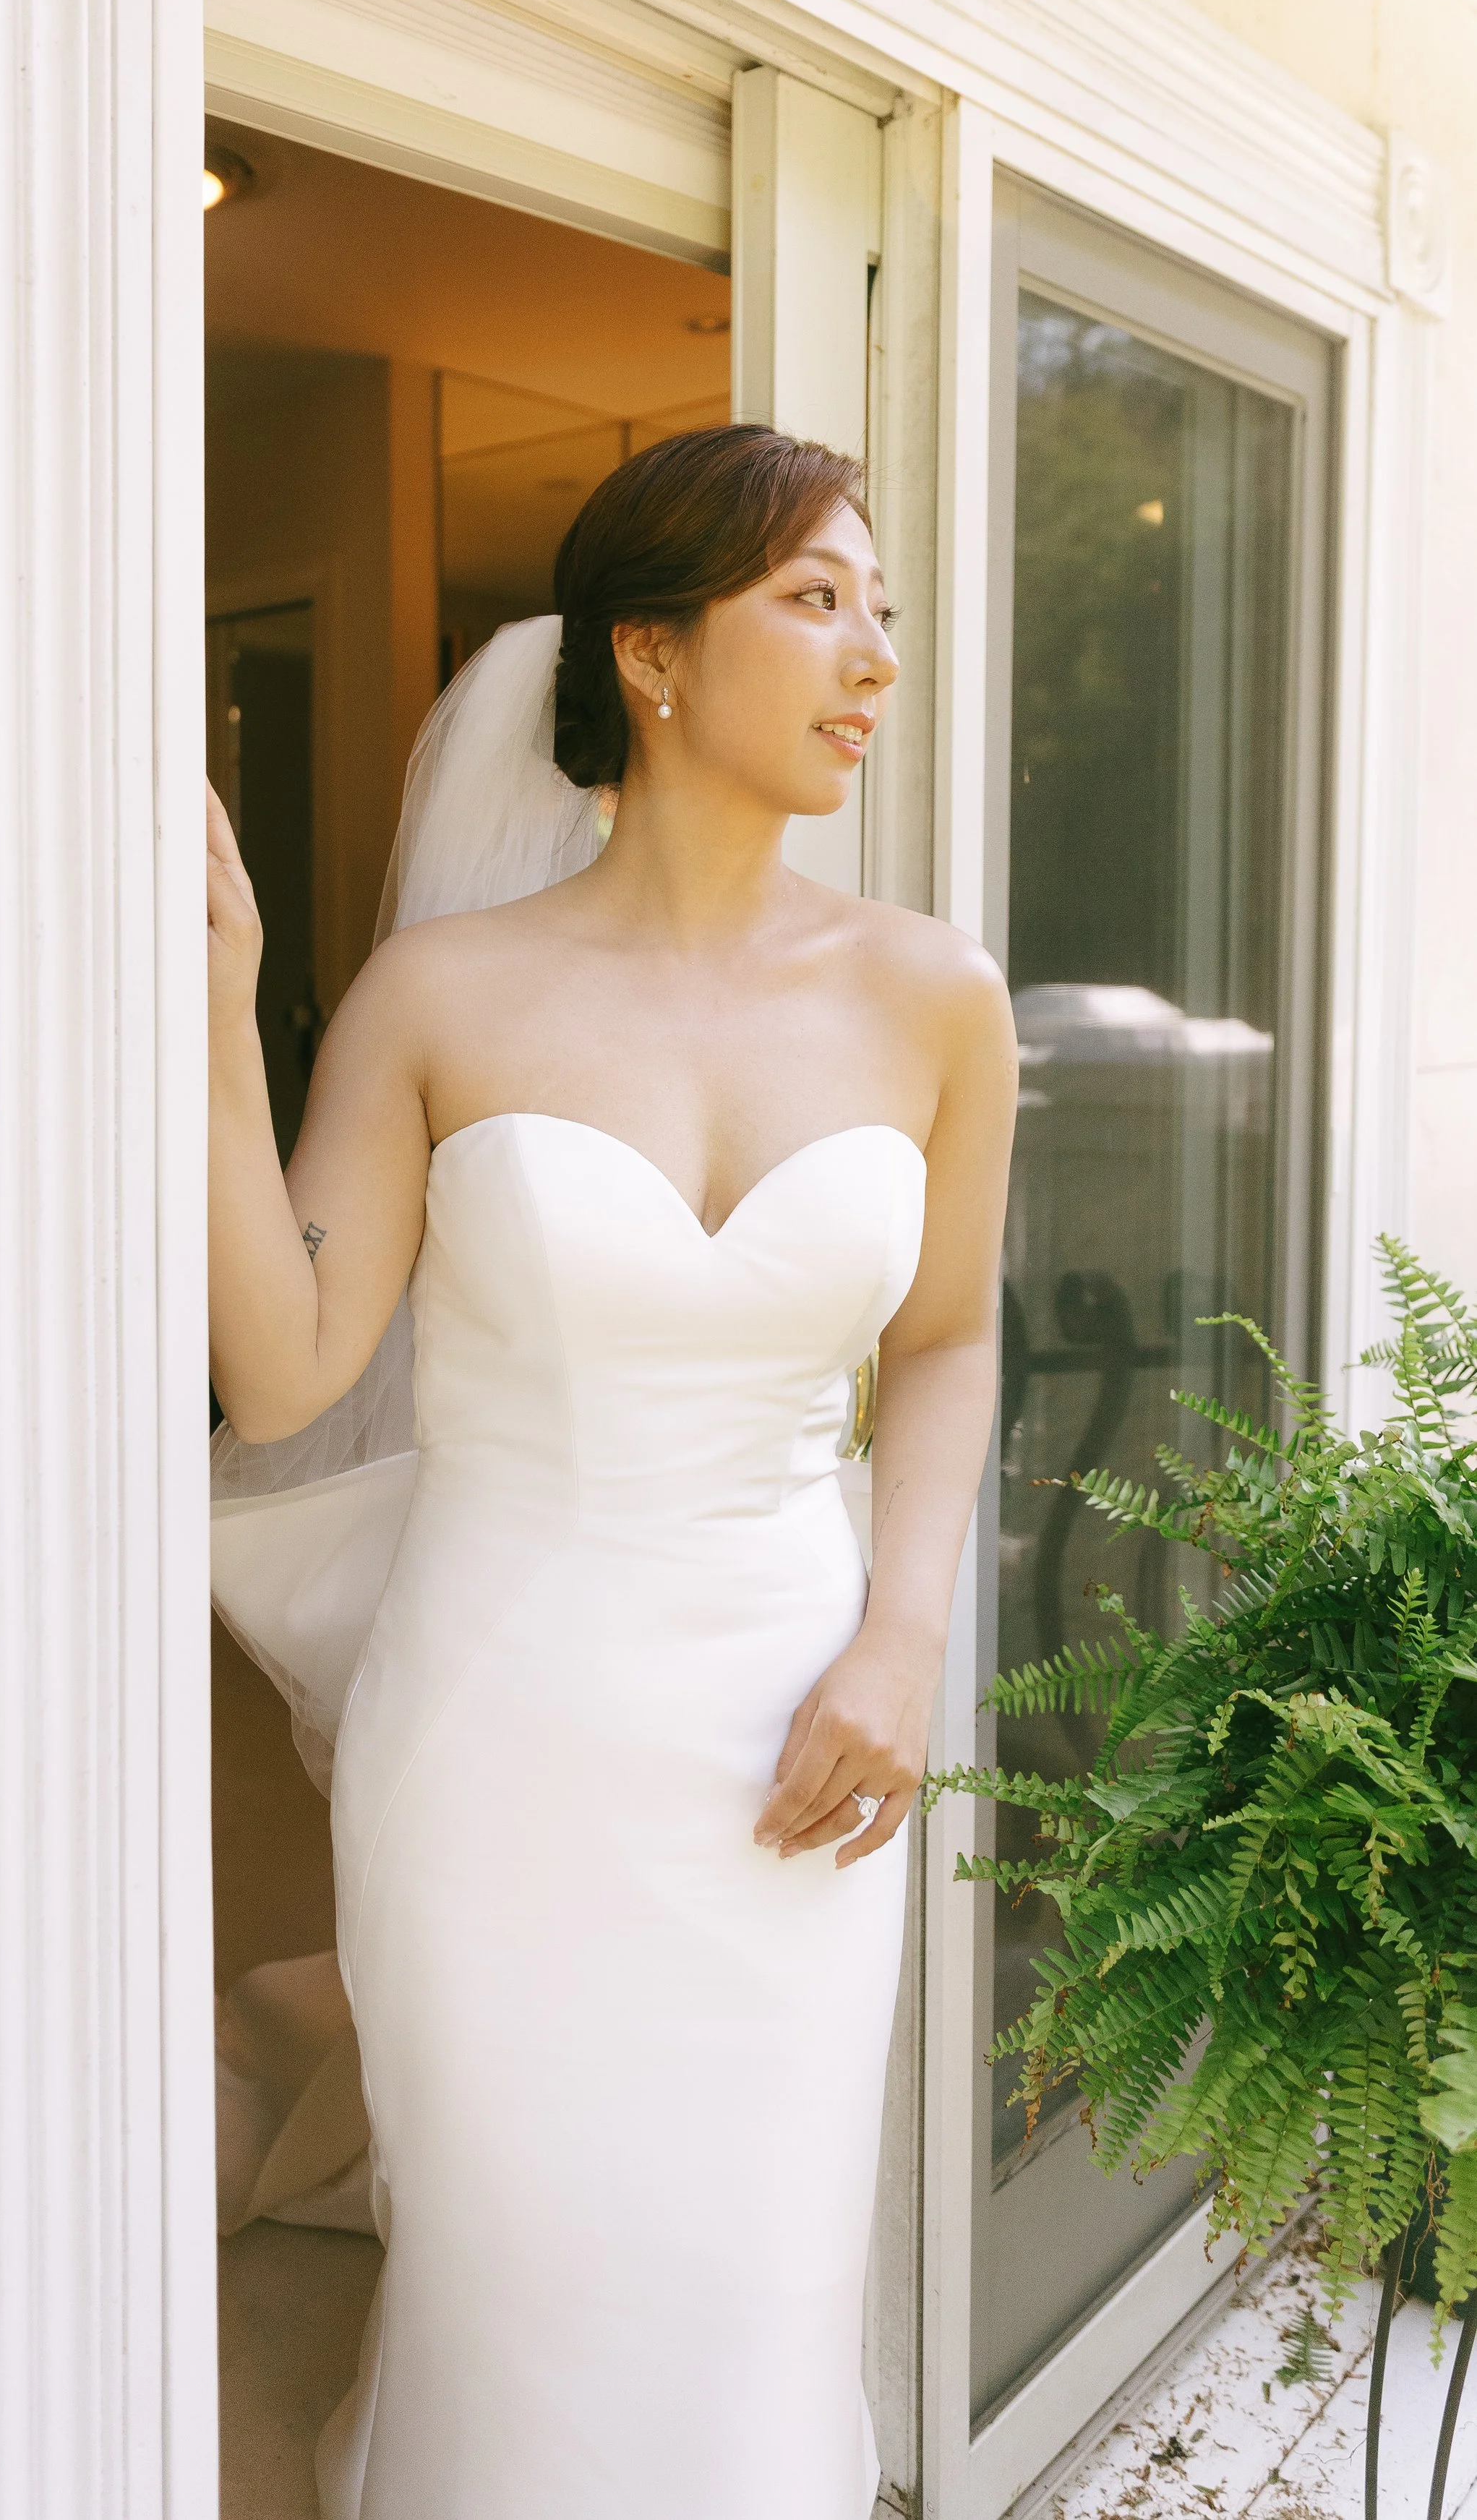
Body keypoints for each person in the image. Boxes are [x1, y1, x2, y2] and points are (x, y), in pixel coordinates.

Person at [206, 424, 1015, 2520]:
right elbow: (286, 1370)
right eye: (814, 601)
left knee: (753, 2268)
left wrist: (898, 1634)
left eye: (882, 610)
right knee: (523, 2262)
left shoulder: (934, 994)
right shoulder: (438, 996)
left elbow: (941, 1336)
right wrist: (214, 1015)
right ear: (649, 658)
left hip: (796, 1730)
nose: (873, 657)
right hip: (501, 1736)